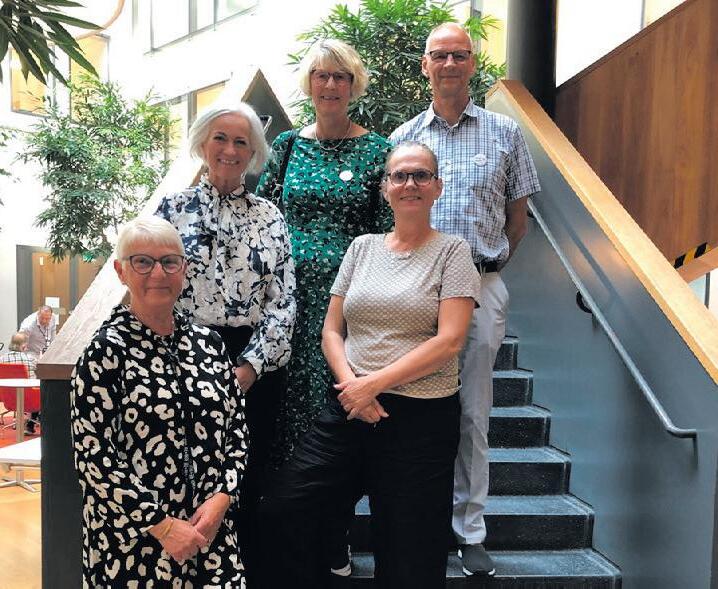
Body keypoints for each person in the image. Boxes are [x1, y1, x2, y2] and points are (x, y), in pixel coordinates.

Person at [260, 142, 481, 589]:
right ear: (385, 188)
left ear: (437, 187)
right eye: (399, 175)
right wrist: (353, 387)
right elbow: (331, 331)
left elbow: (450, 340)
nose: (410, 184)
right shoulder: (361, 248)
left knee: (409, 551)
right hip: (349, 406)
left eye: (421, 175)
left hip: (421, 419)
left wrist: (373, 384)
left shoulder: (453, 252)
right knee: (284, 506)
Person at [389, 23, 541, 577]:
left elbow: (518, 220)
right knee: (411, 406)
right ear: (425, 65)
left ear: (472, 63)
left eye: (459, 54)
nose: (449, 64)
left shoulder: (505, 132)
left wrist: (484, 273)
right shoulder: (405, 137)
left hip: (480, 285)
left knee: (473, 413)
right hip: (413, 290)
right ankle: (415, 520)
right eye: (440, 55)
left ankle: (470, 529)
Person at [155, 102, 295, 586]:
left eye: (241, 142)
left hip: (252, 361)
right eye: (221, 138)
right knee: (181, 478)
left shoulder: (270, 216)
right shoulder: (172, 209)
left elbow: (284, 302)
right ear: (202, 143)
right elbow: (152, 286)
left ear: (254, 153)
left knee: (243, 483)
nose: (230, 150)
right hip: (180, 357)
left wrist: (249, 368)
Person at [70, 217, 247, 587]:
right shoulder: (104, 353)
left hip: (210, 534)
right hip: (134, 544)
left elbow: (237, 432)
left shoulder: (210, 345)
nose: (158, 273)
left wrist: (223, 498)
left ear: (184, 269)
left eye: (169, 261)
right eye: (142, 262)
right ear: (121, 271)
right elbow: (93, 458)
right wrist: (163, 527)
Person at [256, 39, 392, 465]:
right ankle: (282, 493)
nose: (330, 85)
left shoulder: (378, 152)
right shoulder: (287, 146)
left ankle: (331, 492)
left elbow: (388, 234)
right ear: (309, 83)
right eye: (321, 75)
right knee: (281, 397)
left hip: (347, 300)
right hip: (286, 299)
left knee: (335, 394)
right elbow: (262, 217)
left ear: (353, 85)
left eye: (340, 77)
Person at [0, 332, 39, 434]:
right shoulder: (31, 359)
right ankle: (30, 425)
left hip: (8, 399)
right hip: (30, 399)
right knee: (42, 389)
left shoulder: (1, 360)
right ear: (24, 346)